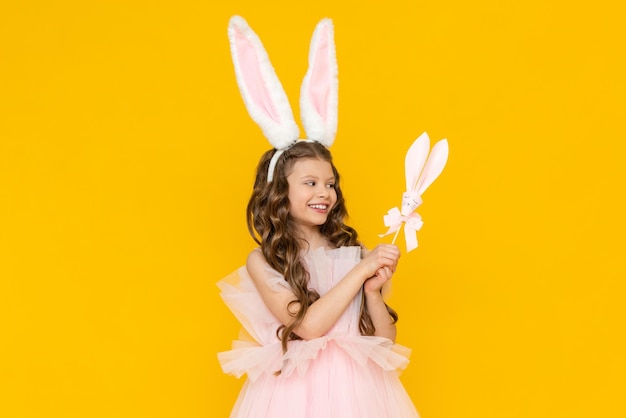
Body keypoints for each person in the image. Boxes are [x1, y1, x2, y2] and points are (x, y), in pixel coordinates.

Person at [218, 16, 420, 417]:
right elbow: (308, 327)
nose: (324, 193)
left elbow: (385, 342)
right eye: (309, 183)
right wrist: (359, 274)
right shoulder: (263, 261)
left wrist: (374, 291)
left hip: (361, 395)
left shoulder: (351, 250)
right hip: (292, 396)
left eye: (330, 184)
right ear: (280, 192)